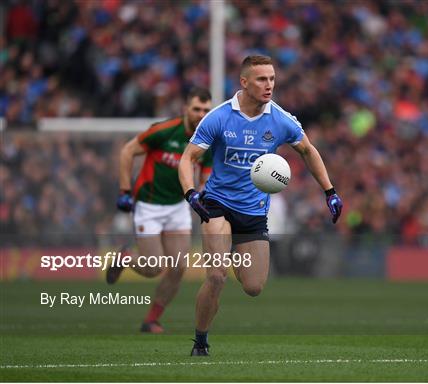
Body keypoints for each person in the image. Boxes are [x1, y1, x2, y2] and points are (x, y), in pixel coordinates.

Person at [179, 55, 343, 356]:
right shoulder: (218, 117)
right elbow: (188, 158)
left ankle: (233, 259)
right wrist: (192, 193)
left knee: (253, 286)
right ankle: (200, 341)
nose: (269, 85)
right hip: (216, 203)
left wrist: (329, 190)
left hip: (253, 211)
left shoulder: (281, 119)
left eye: (271, 78)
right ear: (244, 82)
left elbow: (307, 150)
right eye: (261, 79)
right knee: (216, 276)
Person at [108, 87, 212, 333]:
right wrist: (124, 190)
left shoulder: (208, 140)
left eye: (206, 110)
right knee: (153, 268)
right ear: (186, 108)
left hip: (177, 207)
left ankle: (151, 319)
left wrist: (203, 195)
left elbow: (205, 177)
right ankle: (125, 257)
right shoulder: (164, 131)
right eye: (197, 108)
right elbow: (127, 151)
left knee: (177, 267)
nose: (201, 114)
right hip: (149, 206)